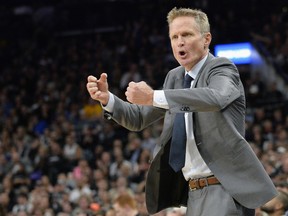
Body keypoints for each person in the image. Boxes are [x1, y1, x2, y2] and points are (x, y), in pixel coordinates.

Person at [86, 7, 278, 216]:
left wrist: (154, 96)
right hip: (192, 192)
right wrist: (108, 100)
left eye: (186, 34)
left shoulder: (222, 67)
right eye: (174, 37)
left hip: (224, 187)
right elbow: (139, 118)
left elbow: (216, 97)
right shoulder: (175, 77)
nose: (180, 42)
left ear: (206, 39)